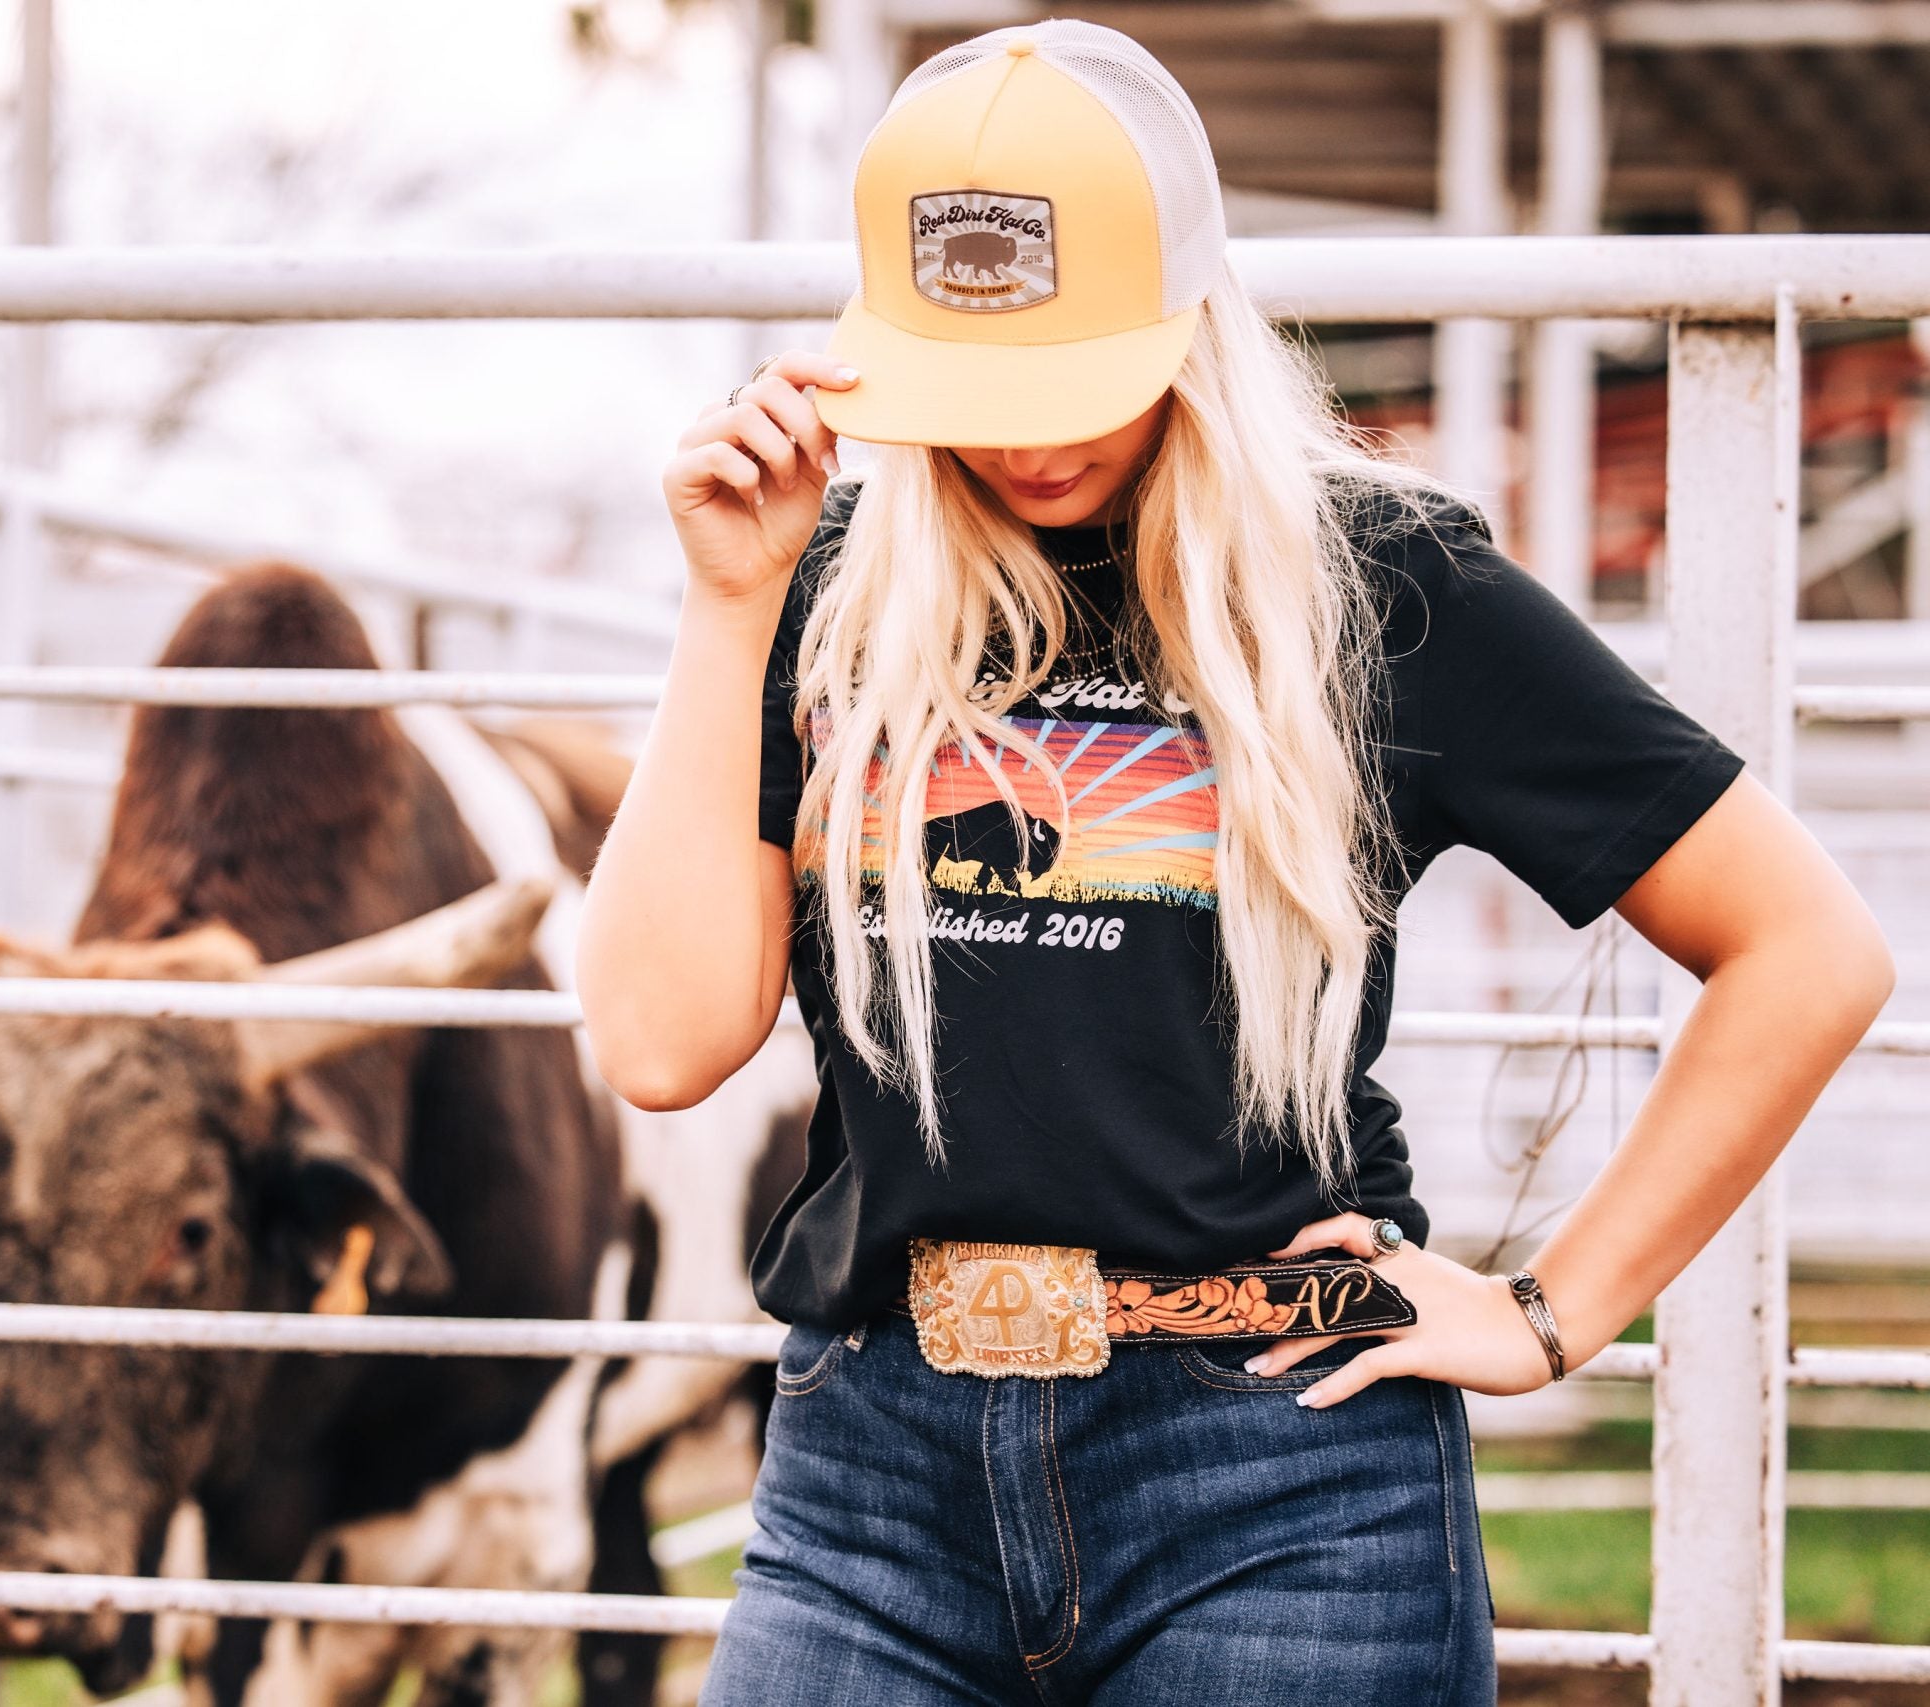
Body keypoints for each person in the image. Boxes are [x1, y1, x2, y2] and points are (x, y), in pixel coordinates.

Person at [573, 16, 1897, 1707]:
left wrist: (1549, 1314)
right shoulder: (823, 587)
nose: (1030, 446)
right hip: (870, 1479)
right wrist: (728, 602)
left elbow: (1807, 948)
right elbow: (660, 1043)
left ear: (1196, 315)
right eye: (977, 392)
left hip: (1279, 1478)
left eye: (1079, 381)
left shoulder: (1376, 584)